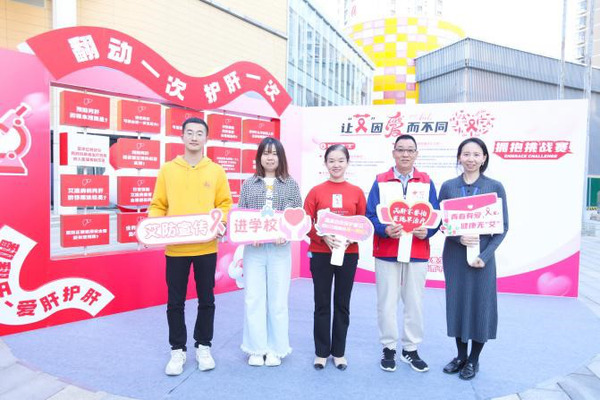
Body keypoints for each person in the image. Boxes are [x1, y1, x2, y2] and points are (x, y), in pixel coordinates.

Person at [149, 117, 232, 376]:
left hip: (206, 248)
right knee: (175, 302)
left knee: (207, 300)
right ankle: (177, 350)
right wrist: (153, 227)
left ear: (206, 138)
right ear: (182, 136)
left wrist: (221, 223)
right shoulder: (168, 170)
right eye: (190, 133)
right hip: (176, 249)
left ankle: (203, 346)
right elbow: (158, 204)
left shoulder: (216, 171)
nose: (194, 137)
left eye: (199, 133)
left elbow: (225, 204)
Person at [366, 134, 439, 373]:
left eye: (410, 150)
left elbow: (436, 215)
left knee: (414, 302)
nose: (405, 154)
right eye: (400, 149)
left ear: (416, 153)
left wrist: (427, 232)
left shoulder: (426, 181)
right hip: (387, 250)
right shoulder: (380, 180)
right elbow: (370, 215)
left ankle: (410, 349)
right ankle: (388, 348)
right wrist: (384, 229)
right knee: (386, 302)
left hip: (417, 251)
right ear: (393, 153)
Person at [438, 137, 509, 380]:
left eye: (476, 154)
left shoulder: (495, 187)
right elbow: (442, 223)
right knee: (457, 304)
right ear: (459, 157)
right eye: (466, 154)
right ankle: (460, 356)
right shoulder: (448, 186)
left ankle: (474, 360)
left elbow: (503, 227)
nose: (471, 159)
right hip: (455, 257)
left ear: (484, 158)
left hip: (483, 260)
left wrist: (485, 256)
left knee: (481, 305)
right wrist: (458, 238)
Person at [238, 137, 302, 367]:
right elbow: (241, 215)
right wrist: (250, 235)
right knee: (253, 298)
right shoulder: (248, 184)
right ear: (259, 157)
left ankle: (276, 349)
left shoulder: (291, 184)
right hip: (253, 250)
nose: (270, 157)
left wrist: (287, 233)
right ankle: (256, 349)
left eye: (274, 153)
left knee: (278, 300)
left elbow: (298, 216)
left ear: (281, 157)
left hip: (279, 250)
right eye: (265, 153)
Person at [304, 144, 367, 371]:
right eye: (331, 160)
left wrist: (351, 238)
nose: (336, 165)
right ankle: (321, 352)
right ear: (325, 163)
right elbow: (306, 222)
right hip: (321, 254)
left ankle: (339, 352)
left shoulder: (357, 192)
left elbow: (363, 223)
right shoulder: (316, 191)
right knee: (321, 303)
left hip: (348, 254)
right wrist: (322, 237)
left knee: (342, 303)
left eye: (341, 160)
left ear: (347, 163)